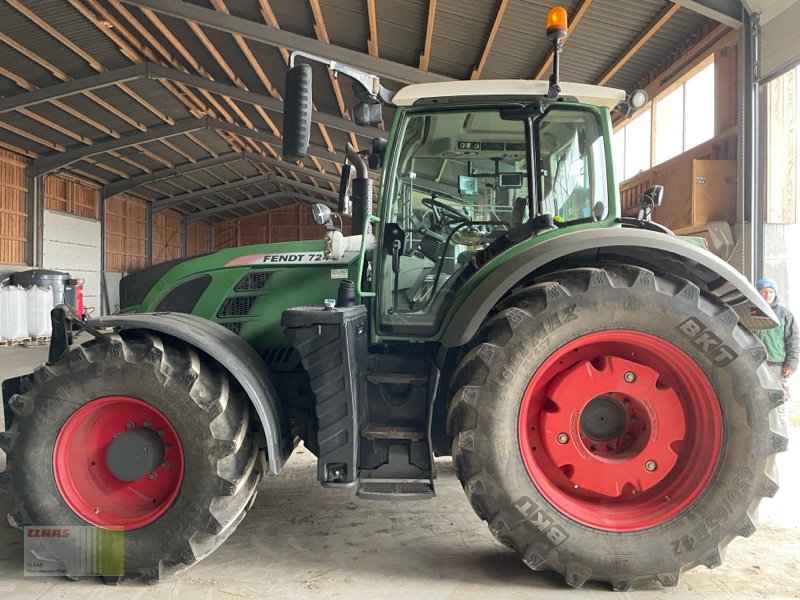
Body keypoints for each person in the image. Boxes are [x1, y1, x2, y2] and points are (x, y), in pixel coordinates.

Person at [755, 277, 799, 396]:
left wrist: (791, 364)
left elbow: (793, 341)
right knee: (757, 397)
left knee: (778, 399)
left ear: (775, 294)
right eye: (764, 291)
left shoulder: (785, 315)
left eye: (771, 292)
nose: (767, 295)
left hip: (776, 366)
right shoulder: (750, 313)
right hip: (754, 364)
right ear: (757, 292)